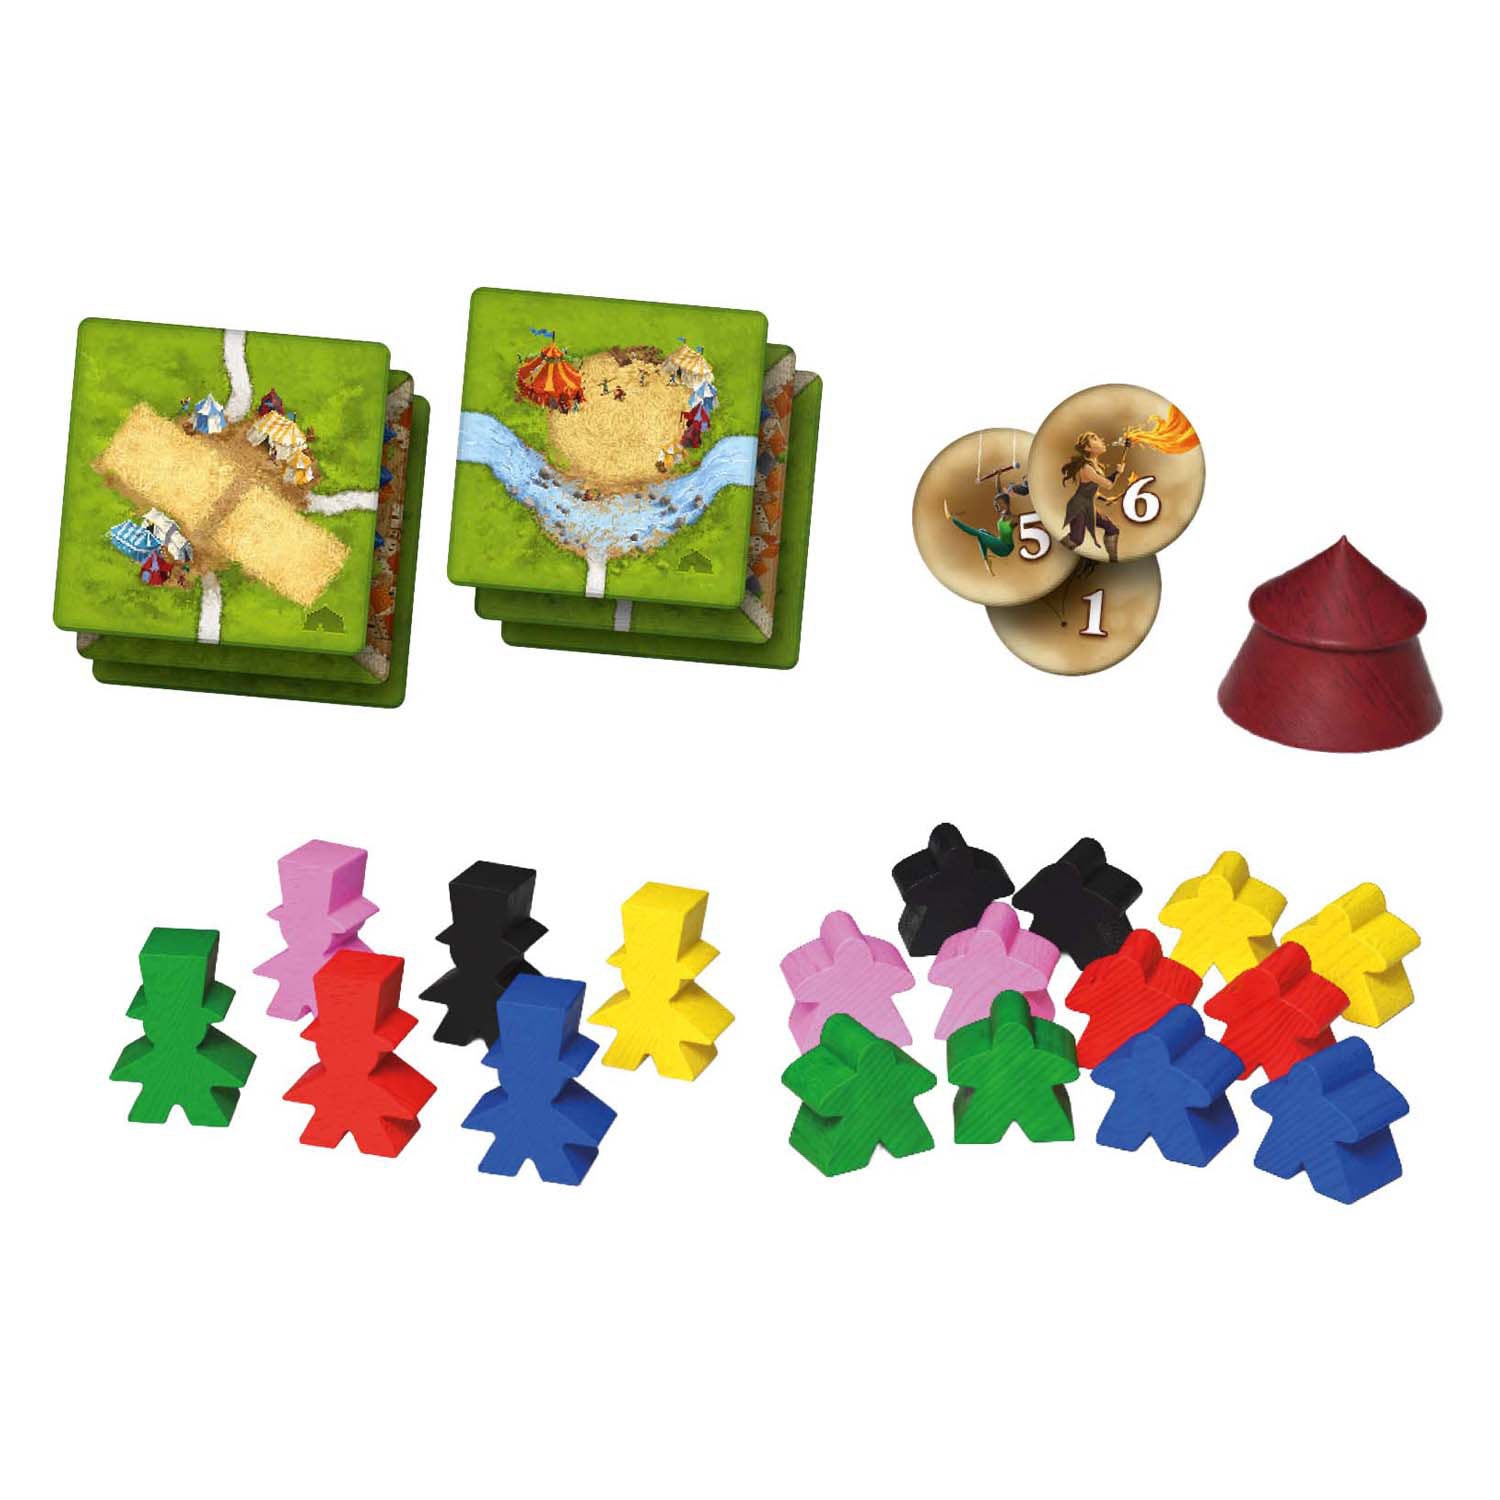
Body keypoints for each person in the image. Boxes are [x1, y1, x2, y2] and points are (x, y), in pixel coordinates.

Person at [1060, 431, 1130, 563]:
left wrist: (1105, 499)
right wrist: (1117, 473)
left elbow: (1091, 491)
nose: (1101, 439)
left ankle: (1113, 561)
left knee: (1112, 529)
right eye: (1095, 438)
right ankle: (1056, 554)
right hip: (1079, 507)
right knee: (1076, 539)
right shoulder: (1087, 468)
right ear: (1088, 448)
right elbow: (1108, 485)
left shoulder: (1097, 467)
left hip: (1088, 507)